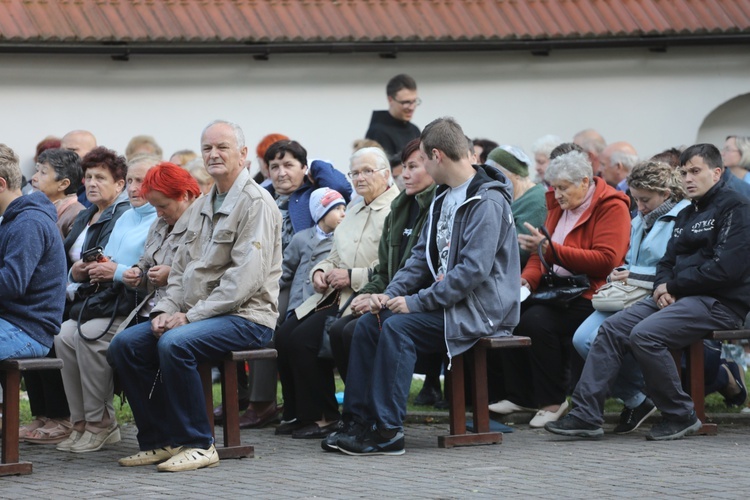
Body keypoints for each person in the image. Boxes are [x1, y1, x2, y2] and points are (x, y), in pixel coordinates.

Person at [326, 117, 520, 456]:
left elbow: (472, 272)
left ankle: (388, 431)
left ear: (436, 155)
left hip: (482, 310)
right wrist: (387, 295)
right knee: (369, 324)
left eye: (422, 161)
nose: (417, 169)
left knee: (398, 327)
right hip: (449, 304)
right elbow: (419, 259)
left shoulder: (486, 201)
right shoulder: (444, 197)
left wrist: (415, 302)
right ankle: (358, 421)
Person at [108, 120, 282, 472]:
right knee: (124, 345)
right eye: (207, 148)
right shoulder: (203, 205)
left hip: (248, 316)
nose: (213, 154)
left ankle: (199, 443)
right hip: (201, 313)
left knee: (176, 343)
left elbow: (244, 280)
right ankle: (161, 440)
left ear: (244, 155)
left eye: (222, 147)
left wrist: (188, 316)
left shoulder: (255, 203)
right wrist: (166, 310)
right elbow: (182, 268)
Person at [546, 143, 750, 440]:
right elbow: (667, 262)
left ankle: (681, 415)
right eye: (684, 172)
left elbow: (725, 269)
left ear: (716, 173)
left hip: (720, 302)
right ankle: (586, 416)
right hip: (681, 298)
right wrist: (662, 287)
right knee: (612, 329)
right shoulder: (687, 213)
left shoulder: (736, 207)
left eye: (696, 171)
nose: (688, 178)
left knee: (645, 335)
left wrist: (673, 285)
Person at [491, 148, 631, 428]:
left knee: (537, 321)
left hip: (592, 293)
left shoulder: (611, 206)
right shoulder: (557, 207)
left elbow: (606, 261)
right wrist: (526, 281)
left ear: (584, 182)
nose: (557, 196)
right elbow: (537, 255)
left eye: (563, 188)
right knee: (508, 310)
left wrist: (551, 251)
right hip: (559, 289)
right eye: (554, 188)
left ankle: (553, 400)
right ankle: (522, 395)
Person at [275, 146, 399, 439]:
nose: (359, 178)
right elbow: (333, 251)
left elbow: (393, 266)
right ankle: (298, 413)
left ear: (385, 174)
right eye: (354, 172)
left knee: (305, 339)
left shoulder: (394, 209)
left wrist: (351, 276)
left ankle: (324, 416)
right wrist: (319, 270)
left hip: (363, 293)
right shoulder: (354, 207)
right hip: (332, 292)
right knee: (284, 334)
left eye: (367, 171)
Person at [571, 160, 690, 434]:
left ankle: (645, 393)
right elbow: (630, 257)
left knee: (596, 339)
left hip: (657, 294)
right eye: (635, 199)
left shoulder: (681, 217)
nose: (640, 206)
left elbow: (671, 267)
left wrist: (633, 273)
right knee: (581, 339)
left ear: (666, 194)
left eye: (645, 200)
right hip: (629, 294)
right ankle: (638, 398)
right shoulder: (640, 217)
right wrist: (622, 270)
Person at [54, 154, 158, 453]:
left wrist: (114, 270)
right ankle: (81, 422)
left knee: (89, 335)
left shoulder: (157, 217)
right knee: (64, 335)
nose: (136, 188)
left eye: (143, 181)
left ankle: (102, 423)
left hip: (137, 304)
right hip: (110, 298)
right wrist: (90, 270)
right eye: (134, 181)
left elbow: (141, 271)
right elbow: (108, 259)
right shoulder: (126, 217)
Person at [326, 139, 440, 404]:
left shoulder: (422, 204)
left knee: (356, 330)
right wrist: (366, 294)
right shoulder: (400, 208)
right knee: (338, 330)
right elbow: (386, 266)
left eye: (414, 166)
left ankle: (372, 411)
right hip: (385, 292)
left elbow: (419, 269)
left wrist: (377, 295)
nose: (406, 174)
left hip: (417, 300)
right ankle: (357, 408)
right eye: (354, 173)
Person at [0, 144, 67, 359]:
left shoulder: (28, 222)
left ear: (1, 184)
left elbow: (11, 283)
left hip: (26, 330)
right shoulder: (12, 220)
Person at [119, 162, 202, 334]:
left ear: (185, 195)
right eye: (154, 206)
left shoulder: (203, 222)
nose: (158, 213)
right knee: (119, 346)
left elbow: (209, 273)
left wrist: (171, 274)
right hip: (152, 306)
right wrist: (138, 273)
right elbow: (146, 260)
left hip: (183, 311)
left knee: (126, 345)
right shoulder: (160, 223)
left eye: (163, 206)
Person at [279, 187, 346, 318]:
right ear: (321, 212)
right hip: (296, 303)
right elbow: (285, 269)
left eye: (344, 209)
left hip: (321, 303)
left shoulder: (342, 241)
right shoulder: (300, 238)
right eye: (336, 208)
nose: (343, 213)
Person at [486, 146, 547, 267]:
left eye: (497, 175)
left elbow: (521, 250)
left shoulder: (536, 200)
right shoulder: (511, 197)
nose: (493, 181)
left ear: (516, 174)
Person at [365, 74, 421, 167]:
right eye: (406, 102)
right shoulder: (378, 132)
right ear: (390, 99)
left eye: (414, 101)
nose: (411, 107)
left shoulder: (414, 130)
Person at [31, 148, 85, 238]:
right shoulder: (35, 206)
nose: (34, 178)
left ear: (63, 184)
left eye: (43, 173)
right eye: (37, 171)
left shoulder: (77, 215)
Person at [61, 129, 98, 207]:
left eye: (72, 150)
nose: (63, 155)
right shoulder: (57, 181)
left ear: (93, 152)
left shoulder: (99, 185)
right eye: (61, 150)